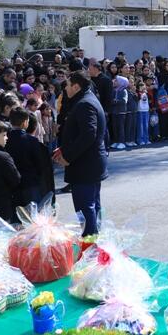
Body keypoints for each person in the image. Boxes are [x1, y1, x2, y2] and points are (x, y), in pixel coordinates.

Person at [54, 71, 108, 237]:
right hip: (90, 162)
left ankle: (90, 244)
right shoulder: (86, 99)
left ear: (76, 86)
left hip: (85, 164)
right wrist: (64, 149)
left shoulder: (85, 103)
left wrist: (67, 156)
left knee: (85, 207)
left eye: (68, 85)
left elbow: (88, 134)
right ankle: (96, 239)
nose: (66, 88)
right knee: (92, 205)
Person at [5, 108, 44, 209]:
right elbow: (39, 163)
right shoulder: (32, 141)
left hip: (11, 183)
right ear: (25, 122)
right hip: (30, 182)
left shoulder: (5, 140)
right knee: (34, 216)